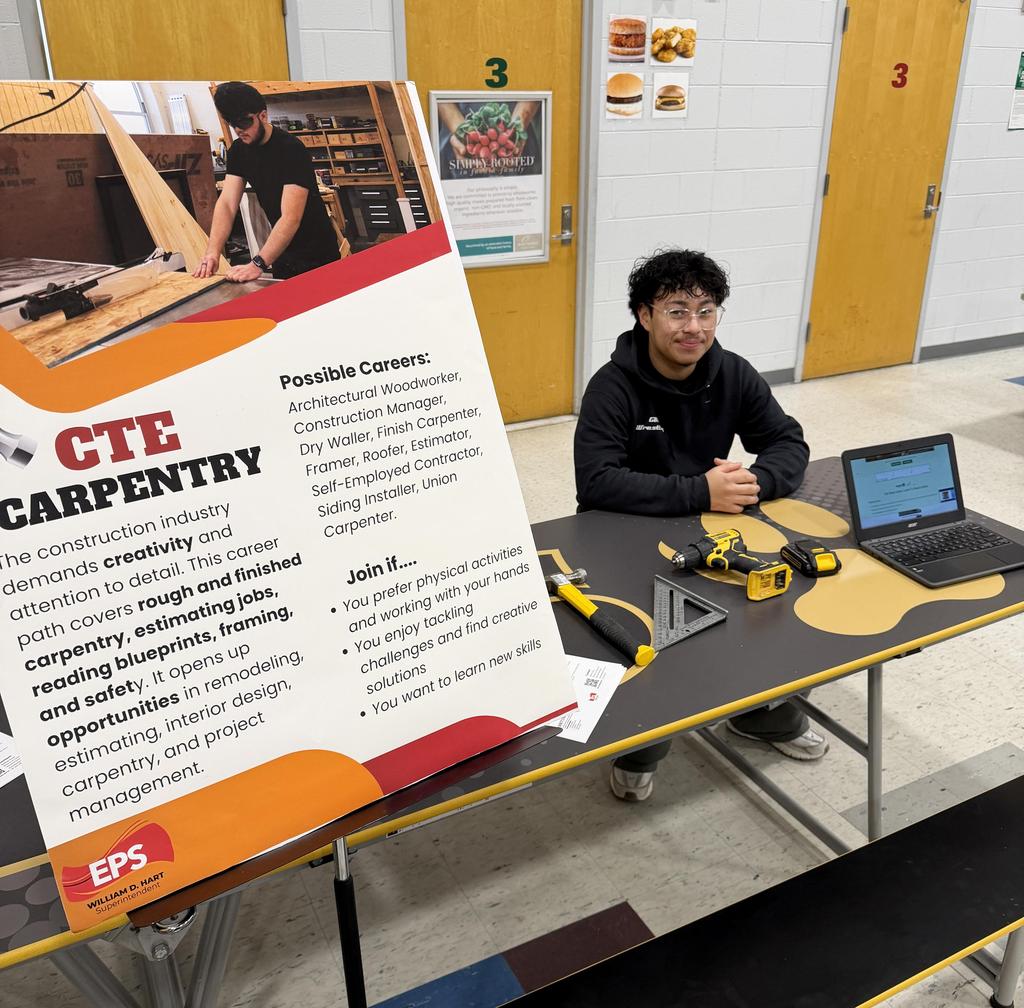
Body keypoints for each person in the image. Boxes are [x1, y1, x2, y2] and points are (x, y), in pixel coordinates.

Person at [574, 249, 826, 803]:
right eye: (677, 311)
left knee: (776, 607)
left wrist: (754, 482)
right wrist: (699, 490)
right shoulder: (611, 387)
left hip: (709, 526)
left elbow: (787, 441)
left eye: (706, 311)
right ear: (645, 316)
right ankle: (643, 743)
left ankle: (761, 713)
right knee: (659, 636)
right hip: (624, 533)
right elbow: (596, 482)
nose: (694, 327)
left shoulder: (731, 373)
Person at [194, 81, 340, 283]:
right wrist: (212, 252)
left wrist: (257, 264)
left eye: (244, 122)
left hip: (319, 254)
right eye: (232, 123)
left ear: (263, 116)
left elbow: (291, 217)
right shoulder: (238, 151)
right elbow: (227, 204)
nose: (239, 130)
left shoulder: (291, 149)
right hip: (282, 250)